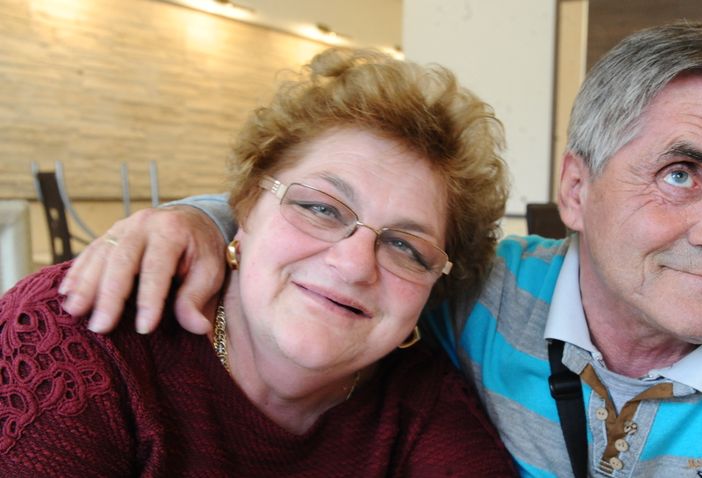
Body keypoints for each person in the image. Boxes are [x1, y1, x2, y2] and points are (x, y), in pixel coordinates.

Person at [56, 22, 702, 477]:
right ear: (576, 190)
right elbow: (344, 247)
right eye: (680, 174)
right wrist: (202, 220)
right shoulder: (478, 296)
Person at [0, 48, 519, 476]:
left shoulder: (422, 407)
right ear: (244, 209)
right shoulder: (87, 333)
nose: (354, 264)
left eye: (406, 247)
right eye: (321, 209)